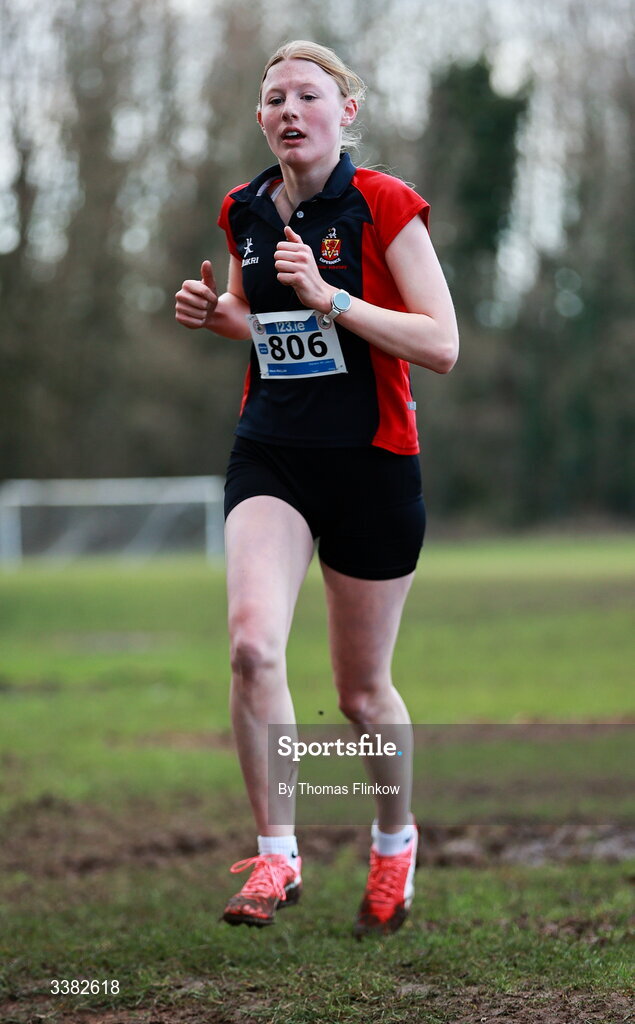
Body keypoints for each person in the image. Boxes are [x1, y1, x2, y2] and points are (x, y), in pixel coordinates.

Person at [175, 40, 459, 937]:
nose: (288, 110)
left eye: (307, 95)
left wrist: (331, 296)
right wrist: (226, 319)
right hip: (275, 457)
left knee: (363, 693)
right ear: (260, 118)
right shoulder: (243, 210)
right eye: (273, 98)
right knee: (253, 648)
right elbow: (271, 331)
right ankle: (278, 852)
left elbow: (441, 345)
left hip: (373, 463)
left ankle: (391, 842)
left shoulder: (381, 205)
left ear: (347, 112)